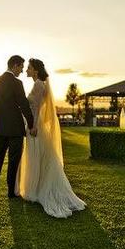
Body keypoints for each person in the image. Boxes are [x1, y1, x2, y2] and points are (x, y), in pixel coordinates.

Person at [15, 58, 86, 218]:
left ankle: (36, 190)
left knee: (37, 158)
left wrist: (34, 126)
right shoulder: (39, 84)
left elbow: (39, 108)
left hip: (35, 127)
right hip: (34, 125)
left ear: (36, 70)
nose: (26, 70)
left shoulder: (39, 84)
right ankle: (36, 187)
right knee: (39, 157)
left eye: (29, 68)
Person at [0, 55, 36, 198]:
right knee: (13, 161)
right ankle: (10, 192)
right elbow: (24, 105)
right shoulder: (17, 83)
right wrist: (31, 123)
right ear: (15, 65)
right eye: (21, 67)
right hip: (15, 129)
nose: (21, 71)